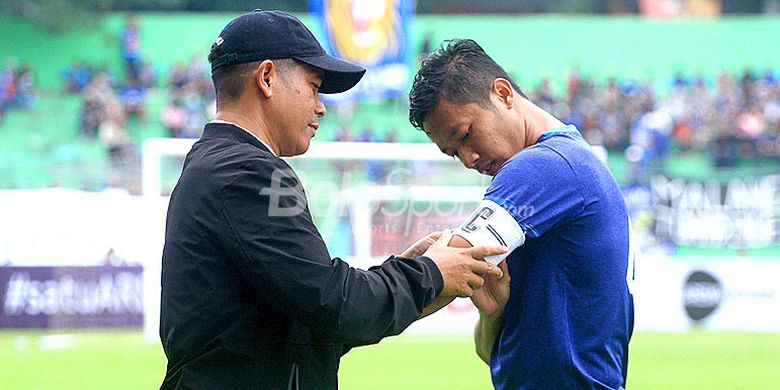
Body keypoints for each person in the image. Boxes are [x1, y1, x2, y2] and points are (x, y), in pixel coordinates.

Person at [159, 11, 505, 389]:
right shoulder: (250, 174)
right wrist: (431, 273)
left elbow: (307, 324)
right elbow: (334, 305)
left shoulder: (216, 165)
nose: (321, 106)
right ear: (267, 78)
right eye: (313, 86)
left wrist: (420, 277)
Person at [408, 39, 635, 390]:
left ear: (503, 93)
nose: (468, 158)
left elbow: (438, 277)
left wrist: (342, 310)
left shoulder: (543, 166)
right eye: (454, 153)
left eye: (466, 134)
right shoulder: (571, 165)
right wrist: (492, 314)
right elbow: (491, 353)